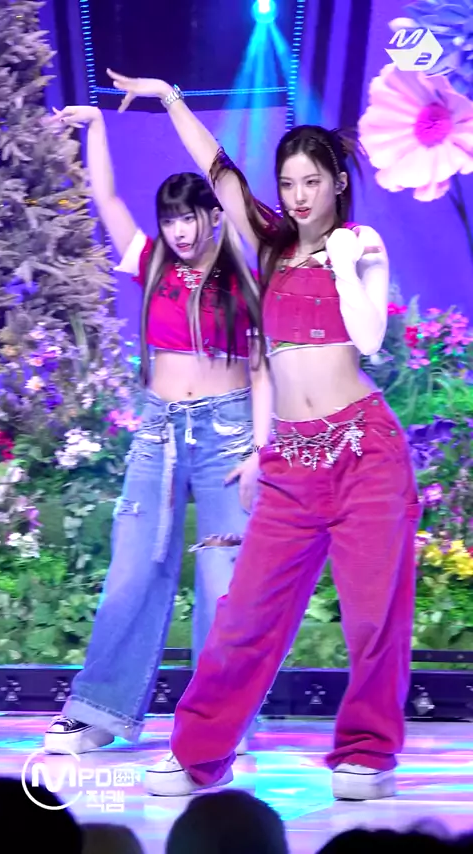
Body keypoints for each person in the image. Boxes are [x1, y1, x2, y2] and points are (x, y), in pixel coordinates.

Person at [104, 71, 420, 801]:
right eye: (289, 182)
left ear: (339, 183)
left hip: (364, 451)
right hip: (292, 464)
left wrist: (345, 262)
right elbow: (219, 170)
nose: (300, 195)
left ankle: (368, 753)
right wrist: (172, 98)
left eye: (313, 181)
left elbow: (370, 339)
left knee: (374, 617)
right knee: (244, 617)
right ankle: (198, 753)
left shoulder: (361, 243)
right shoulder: (271, 248)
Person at [42, 104, 262, 755]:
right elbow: (105, 197)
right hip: (159, 432)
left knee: (224, 582)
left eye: (189, 216)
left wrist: (259, 447)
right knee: (134, 570)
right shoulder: (151, 263)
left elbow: (261, 367)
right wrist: (96, 129)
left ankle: (221, 721)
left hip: (228, 435)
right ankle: (96, 712)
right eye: (170, 219)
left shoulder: (244, 271)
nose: (179, 230)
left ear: (212, 215)